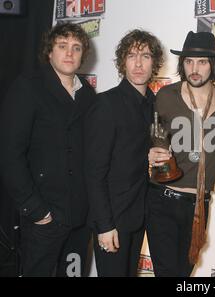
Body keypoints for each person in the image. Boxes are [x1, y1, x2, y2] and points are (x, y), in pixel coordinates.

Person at [0, 23, 96, 276]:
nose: (69, 53)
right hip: (44, 215)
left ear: (83, 55)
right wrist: (35, 209)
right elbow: (9, 154)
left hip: (80, 217)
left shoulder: (88, 95)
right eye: (62, 46)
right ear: (49, 52)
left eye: (76, 48)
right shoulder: (28, 87)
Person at [146, 31, 215, 276]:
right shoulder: (166, 96)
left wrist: (213, 162)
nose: (194, 68)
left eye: (202, 62)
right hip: (163, 200)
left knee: (184, 274)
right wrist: (152, 154)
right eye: (188, 61)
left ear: (213, 66)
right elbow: (154, 139)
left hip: (200, 205)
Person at [84, 29, 163, 276]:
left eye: (146, 56)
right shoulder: (106, 104)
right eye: (131, 55)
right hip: (113, 220)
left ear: (155, 63)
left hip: (139, 216)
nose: (138, 64)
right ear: (122, 62)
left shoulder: (155, 105)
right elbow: (94, 172)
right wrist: (105, 225)